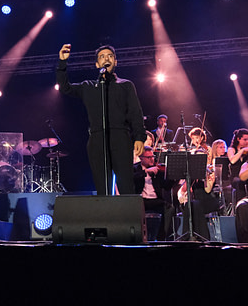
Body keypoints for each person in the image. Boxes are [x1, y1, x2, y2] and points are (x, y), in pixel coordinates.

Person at [56, 44, 146, 195]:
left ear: (115, 62)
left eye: (110, 56)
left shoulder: (126, 85)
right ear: (97, 64)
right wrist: (62, 63)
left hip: (121, 137)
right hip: (97, 139)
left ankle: (128, 218)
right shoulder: (89, 86)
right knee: (102, 187)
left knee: (126, 185)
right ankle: (106, 217)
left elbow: (135, 113)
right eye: (102, 56)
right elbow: (65, 87)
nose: (106, 58)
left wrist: (139, 137)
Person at [133, 146, 175, 240]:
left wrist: (173, 177)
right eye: (149, 157)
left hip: (156, 200)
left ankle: (162, 237)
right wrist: (146, 172)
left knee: (170, 209)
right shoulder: (135, 168)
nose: (152, 159)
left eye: (153, 156)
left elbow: (166, 186)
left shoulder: (157, 169)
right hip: (142, 201)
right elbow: (132, 178)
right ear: (141, 158)